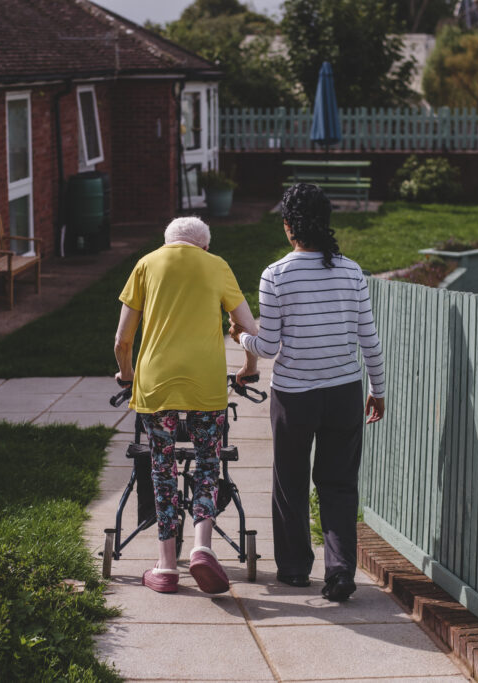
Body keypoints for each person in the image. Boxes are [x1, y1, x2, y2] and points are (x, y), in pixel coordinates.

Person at [230, 183, 385, 602]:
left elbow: (269, 346)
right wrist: (378, 390)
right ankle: (340, 573)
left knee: (291, 483)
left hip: (295, 397)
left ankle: (296, 570)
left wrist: (242, 337)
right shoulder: (352, 271)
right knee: (338, 485)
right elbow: (368, 339)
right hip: (344, 393)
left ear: (287, 227)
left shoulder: (275, 274)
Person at [114, 216, 258, 594]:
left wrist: (126, 375)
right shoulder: (217, 265)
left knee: (160, 468)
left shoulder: (146, 264)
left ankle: (164, 568)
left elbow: (122, 341)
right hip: (205, 385)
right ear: (204, 247)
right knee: (209, 461)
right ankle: (201, 546)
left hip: (156, 385)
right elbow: (249, 328)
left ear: (167, 243)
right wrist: (249, 368)